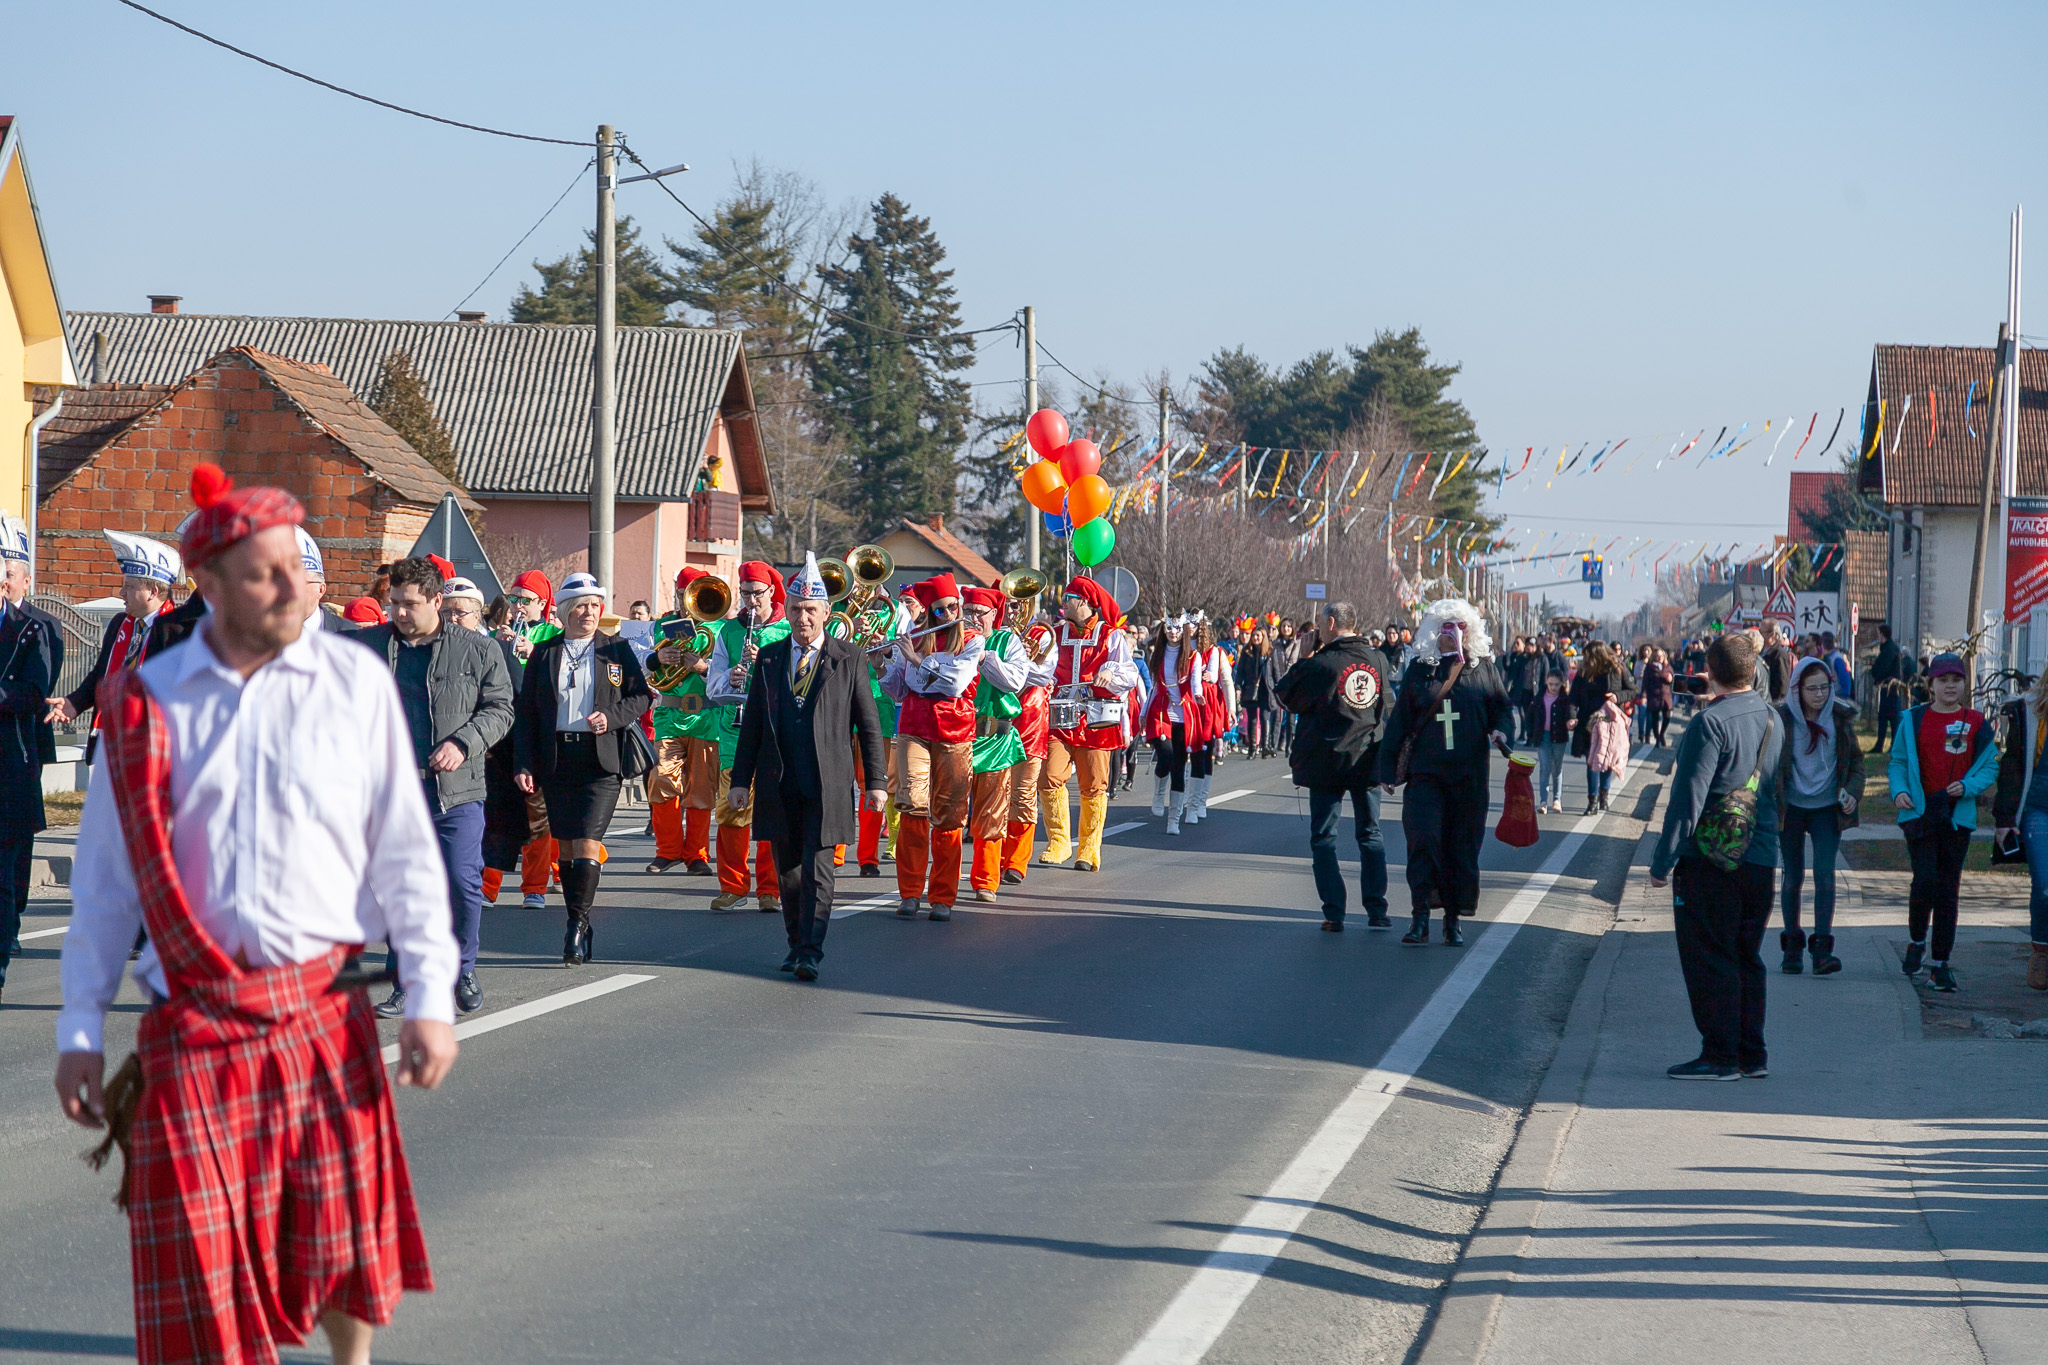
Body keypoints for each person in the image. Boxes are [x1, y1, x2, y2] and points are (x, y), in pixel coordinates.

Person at [55, 467, 459, 1365]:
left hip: (321, 1007)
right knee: (203, 1266)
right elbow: (107, 885)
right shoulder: (146, 704)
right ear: (208, 584)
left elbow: (404, 850)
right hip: (192, 1021)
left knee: (340, 1240)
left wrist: (430, 993)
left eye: (294, 567)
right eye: (261, 572)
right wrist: (80, 1027)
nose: (287, 587)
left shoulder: (352, 686)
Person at [354, 557, 515, 1017]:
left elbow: (501, 709)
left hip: (456, 791)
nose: (400, 613)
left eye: (410, 604)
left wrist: (464, 743)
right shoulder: (368, 646)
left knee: (463, 884)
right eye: (394, 604)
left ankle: (461, 967)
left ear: (437, 602)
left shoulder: (478, 650)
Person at [727, 555, 888, 979]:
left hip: (827, 782)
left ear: (826, 613)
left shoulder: (849, 658)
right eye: (796, 608)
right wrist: (741, 780)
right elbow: (755, 726)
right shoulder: (769, 657)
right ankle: (795, 943)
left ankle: (811, 951)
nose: (802, 617)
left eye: (811, 610)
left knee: (818, 869)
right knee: (789, 871)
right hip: (780, 781)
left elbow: (868, 725)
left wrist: (876, 782)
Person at [1648, 631, 1784, 1081]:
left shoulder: (1709, 723)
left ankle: (1719, 1055)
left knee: (1710, 956)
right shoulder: (1772, 718)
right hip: (1761, 853)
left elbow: (1688, 799)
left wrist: (1662, 862)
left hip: (1710, 859)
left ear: (1709, 671)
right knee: (1748, 955)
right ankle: (1752, 1053)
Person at [513, 572, 652, 964]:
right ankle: (579, 919)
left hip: (600, 761)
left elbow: (641, 696)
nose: (590, 612)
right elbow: (526, 714)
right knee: (570, 848)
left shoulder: (616, 649)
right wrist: (524, 762)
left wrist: (612, 715)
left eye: (595, 605)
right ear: (564, 610)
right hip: (557, 760)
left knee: (589, 843)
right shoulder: (546, 652)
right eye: (582, 605)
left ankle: (576, 924)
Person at [1379, 598, 1510, 946]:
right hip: (1426, 774)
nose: (1454, 633)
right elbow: (1400, 721)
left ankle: (1452, 919)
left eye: (1461, 627)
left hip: (1468, 774)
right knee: (1423, 840)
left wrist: (1500, 730)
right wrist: (1387, 769)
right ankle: (1420, 914)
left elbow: (1501, 707)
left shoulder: (1483, 668)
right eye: (1447, 626)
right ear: (1435, 630)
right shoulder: (1421, 669)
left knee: (1460, 846)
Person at [1276, 600, 1389, 930]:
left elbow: (1286, 694)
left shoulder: (1322, 663)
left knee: (1325, 837)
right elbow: (1388, 709)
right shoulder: (1378, 659)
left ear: (1329, 623)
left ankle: (1334, 911)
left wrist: (1305, 656)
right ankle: (1377, 909)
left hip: (1327, 760)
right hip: (1367, 758)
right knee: (1370, 834)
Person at [1888, 652, 1997, 992]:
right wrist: (1899, 792)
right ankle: (1917, 940)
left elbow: (1990, 766)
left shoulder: (1977, 722)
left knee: (1948, 890)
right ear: (1931, 684)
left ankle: (1940, 964)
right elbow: (1897, 762)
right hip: (1920, 814)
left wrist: (1968, 786)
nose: (1950, 686)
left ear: (1966, 684)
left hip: (1956, 816)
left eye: (1957, 679)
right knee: (1925, 880)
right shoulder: (1913, 718)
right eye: (1943, 680)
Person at [881, 573, 987, 920]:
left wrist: (916, 661)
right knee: (912, 805)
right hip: (914, 727)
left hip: (955, 732)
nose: (950, 614)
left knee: (950, 814)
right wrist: (882, 663)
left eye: (953, 607)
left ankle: (942, 896)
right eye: (940, 611)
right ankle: (909, 892)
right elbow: (899, 690)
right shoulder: (913, 636)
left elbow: (956, 682)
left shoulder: (973, 640)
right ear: (928, 612)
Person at [705, 563, 793, 911]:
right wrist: (733, 676)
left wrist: (766, 666)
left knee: (772, 812)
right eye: (745, 593)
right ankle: (733, 886)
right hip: (734, 733)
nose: (751, 600)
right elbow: (713, 688)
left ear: (772, 592)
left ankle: (770, 889)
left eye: (758, 593)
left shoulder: (789, 629)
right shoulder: (729, 631)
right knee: (731, 811)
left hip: (775, 734)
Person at [1038, 576, 1140, 872]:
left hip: (1097, 720)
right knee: (1049, 776)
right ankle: (1058, 843)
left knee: (1093, 785)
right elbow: (1041, 670)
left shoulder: (1111, 636)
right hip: (1060, 718)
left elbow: (1130, 675)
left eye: (1068, 596)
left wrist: (1110, 670)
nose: (1062, 602)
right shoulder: (1054, 635)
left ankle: (1088, 849)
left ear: (1082, 601)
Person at [50, 531, 179, 763]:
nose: (121, 593)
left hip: (151, 745)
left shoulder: (177, 630)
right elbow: (101, 674)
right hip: (109, 738)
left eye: (129, 587)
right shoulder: (120, 624)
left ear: (153, 592)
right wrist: (75, 702)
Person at [1773, 655, 1864, 976]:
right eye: (1812, 688)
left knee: (1825, 874)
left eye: (1825, 687)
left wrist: (1852, 791)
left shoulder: (1839, 719)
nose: (1819, 695)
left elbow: (1856, 763)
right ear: (1797, 688)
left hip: (1827, 809)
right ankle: (1792, 950)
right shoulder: (1781, 721)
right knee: (1793, 876)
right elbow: (1769, 765)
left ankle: (1822, 951)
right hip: (1792, 810)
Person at [961, 585, 1041, 904]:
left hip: (995, 739)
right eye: (968, 612)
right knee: (950, 814)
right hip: (959, 736)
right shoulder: (955, 638)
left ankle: (985, 880)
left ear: (994, 615)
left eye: (980, 613)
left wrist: (983, 656)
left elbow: (1014, 681)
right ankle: (946, 877)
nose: (973, 618)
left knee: (991, 814)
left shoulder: (1007, 642)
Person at [0, 553, 53, 1002]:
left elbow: (37, 691)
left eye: (11, 575)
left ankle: (8, 928)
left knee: (13, 851)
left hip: (17, 754)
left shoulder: (35, 627)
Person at [645, 567, 718, 877]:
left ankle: (697, 854)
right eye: (682, 594)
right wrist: (656, 659)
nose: (686, 601)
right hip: (668, 715)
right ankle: (668, 851)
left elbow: (731, 672)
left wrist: (703, 666)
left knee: (701, 788)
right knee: (661, 780)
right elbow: (637, 662)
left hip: (706, 716)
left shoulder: (719, 629)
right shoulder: (659, 626)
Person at [1992, 668, 2048, 992]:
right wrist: (2004, 819)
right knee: (2043, 883)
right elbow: (2012, 764)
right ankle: (2041, 949)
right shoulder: (2028, 709)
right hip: (2038, 806)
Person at [1142, 614, 1211, 834]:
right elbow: (1153, 687)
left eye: (1177, 629)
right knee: (1166, 756)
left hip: (1183, 715)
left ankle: (1174, 818)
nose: (1173, 633)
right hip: (1160, 713)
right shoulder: (1159, 655)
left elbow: (1195, 683)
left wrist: (1198, 696)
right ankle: (1159, 791)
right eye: (1169, 628)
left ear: (1184, 631)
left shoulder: (1193, 656)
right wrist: (1143, 712)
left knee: (1180, 766)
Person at [1569, 641, 1636, 814]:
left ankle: (1604, 796)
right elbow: (1573, 697)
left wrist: (1617, 696)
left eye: (1589, 656)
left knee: (1607, 759)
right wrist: (1572, 716)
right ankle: (1592, 801)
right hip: (1588, 721)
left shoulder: (1617, 667)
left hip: (1609, 720)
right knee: (1592, 760)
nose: (1586, 659)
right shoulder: (1584, 671)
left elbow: (1632, 690)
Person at [1534, 670, 1570, 813]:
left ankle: (1556, 799)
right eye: (1550, 684)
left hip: (1559, 737)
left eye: (1556, 684)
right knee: (1544, 767)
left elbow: (1570, 713)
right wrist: (1531, 733)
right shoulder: (1540, 697)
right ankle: (1543, 801)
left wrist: (1571, 721)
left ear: (1561, 684)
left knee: (1557, 767)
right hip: (1543, 736)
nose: (1553, 687)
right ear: (1546, 683)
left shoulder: (1564, 699)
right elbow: (1533, 715)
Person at [1871, 625, 1907, 751]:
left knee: (1889, 717)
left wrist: (1876, 675)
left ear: (1882, 634)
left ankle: (1888, 745)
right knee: (1889, 717)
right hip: (1890, 686)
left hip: (1890, 687)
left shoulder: (1888, 650)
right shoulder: (1890, 648)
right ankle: (1887, 745)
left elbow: (1883, 667)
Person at [1639, 647, 1674, 748]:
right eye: (1657, 656)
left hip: (1666, 696)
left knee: (1667, 717)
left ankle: (1662, 733)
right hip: (1654, 695)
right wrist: (1643, 696)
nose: (1659, 658)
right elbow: (1645, 683)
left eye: (1661, 656)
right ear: (1654, 657)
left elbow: (1672, 675)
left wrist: (1670, 678)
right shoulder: (1650, 668)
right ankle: (1657, 738)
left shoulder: (1667, 666)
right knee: (1655, 718)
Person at [1757, 621, 1796, 704]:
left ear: (1772, 634)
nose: (1758, 634)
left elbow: (1782, 684)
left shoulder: (1779, 654)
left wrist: (1774, 703)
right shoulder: (1761, 652)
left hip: (1772, 704)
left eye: (1761, 632)